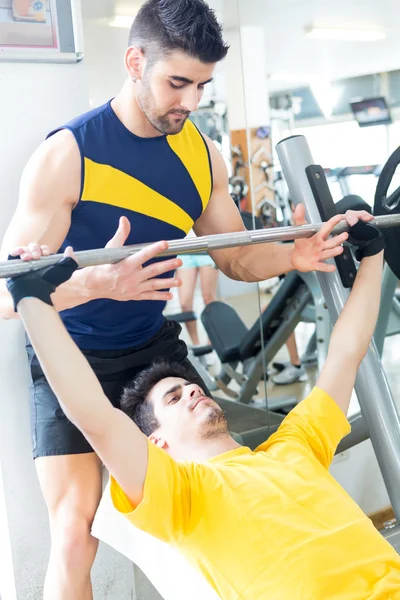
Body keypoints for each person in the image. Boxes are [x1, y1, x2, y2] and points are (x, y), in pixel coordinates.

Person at [0, 0, 362, 597]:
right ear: (134, 60)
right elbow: (12, 296)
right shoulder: (68, 155)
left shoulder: (200, 154)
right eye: (177, 83)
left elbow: (236, 257)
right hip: (72, 355)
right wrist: (95, 284)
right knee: (72, 532)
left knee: (224, 493)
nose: (190, 102)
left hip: (152, 352)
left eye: (202, 85)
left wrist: (294, 256)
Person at [8, 212, 400, 600]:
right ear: (155, 441)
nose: (193, 391)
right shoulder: (181, 497)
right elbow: (94, 415)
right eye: (174, 398)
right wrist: (32, 299)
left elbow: (346, 354)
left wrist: (373, 254)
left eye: (189, 387)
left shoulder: (295, 445)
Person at [177, 231, 218, 346]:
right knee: (185, 304)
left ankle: (212, 344)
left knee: (208, 298)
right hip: (184, 247)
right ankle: (197, 345)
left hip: (206, 245)